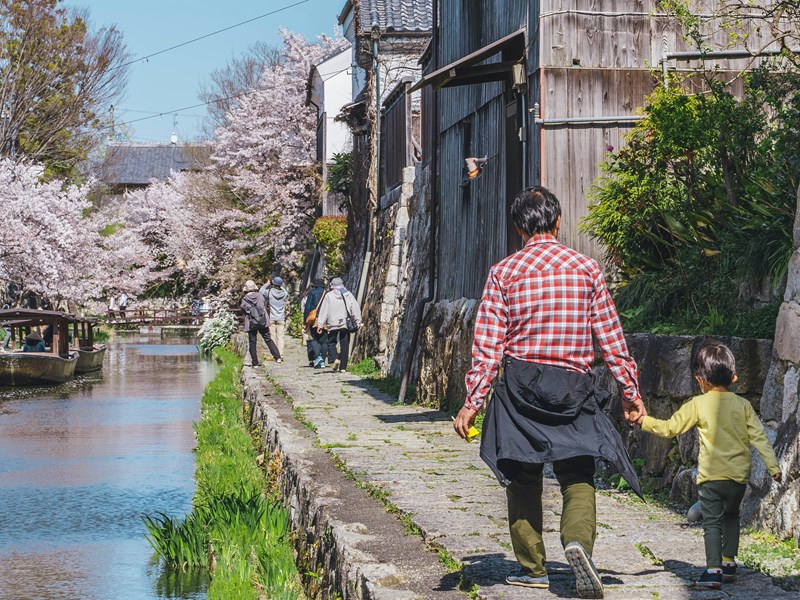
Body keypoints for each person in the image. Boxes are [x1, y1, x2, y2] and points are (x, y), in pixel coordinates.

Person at [453, 186, 646, 599]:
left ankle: (533, 567)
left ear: (519, 227)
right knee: (578, 474)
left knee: (522, 476)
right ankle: (578, 544)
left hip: (521, 388)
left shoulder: (504, 273)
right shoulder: (586, 269)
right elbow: (610, 339)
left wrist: (472, 404)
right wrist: (630, 392)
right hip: (573, 386)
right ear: (558, 222)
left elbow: (488, 348)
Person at [634, 343, 781, 589]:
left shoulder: (697, 404)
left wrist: (643, 421)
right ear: (733, 377)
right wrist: (773, 466)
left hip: (711, 477)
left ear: (700, 379)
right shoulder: (743, 405)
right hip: (738, 478)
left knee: (712, 523)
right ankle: (729, 562)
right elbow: (759, 437)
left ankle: (713, 571)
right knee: (732, 516)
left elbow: (671, 428)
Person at [316, 277, 361, 372]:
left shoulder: (329, 295)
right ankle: (343, 367)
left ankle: (335, 358)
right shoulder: (347, 294)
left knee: (331, 342)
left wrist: (320, 324)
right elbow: (355, 307)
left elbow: (324, 310)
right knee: (344, 345)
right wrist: (358, 321)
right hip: (345, 323)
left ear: (332, 286)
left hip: (333, 323)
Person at [240, 280, 281, 367]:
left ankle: (255, 363)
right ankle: (278, 357)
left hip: (251, 322)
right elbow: (264, 305)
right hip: (263, 320)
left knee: (252, 342)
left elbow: (243, 310)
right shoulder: (260, 296)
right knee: (268, 339)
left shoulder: (244, 300)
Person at [304, 277, 327, 368]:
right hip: (326, 319)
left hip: (315, 319)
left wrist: (305, 320)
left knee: (314, 338)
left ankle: (318, 357)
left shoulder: (312, 292)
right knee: (324, 340)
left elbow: (308, 307)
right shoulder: (327, 294)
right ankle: (323, 361)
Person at [262, 276, 288, 358]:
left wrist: (267, 283)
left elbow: (261, 291)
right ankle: (281, 354)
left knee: (272, 336)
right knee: (280, 337)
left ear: (273, 283)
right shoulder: (284, 294)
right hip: (281, 317)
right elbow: (285, 291)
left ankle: (274, 355)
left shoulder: (269, 292)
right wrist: (281, 285)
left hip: (271, 317)